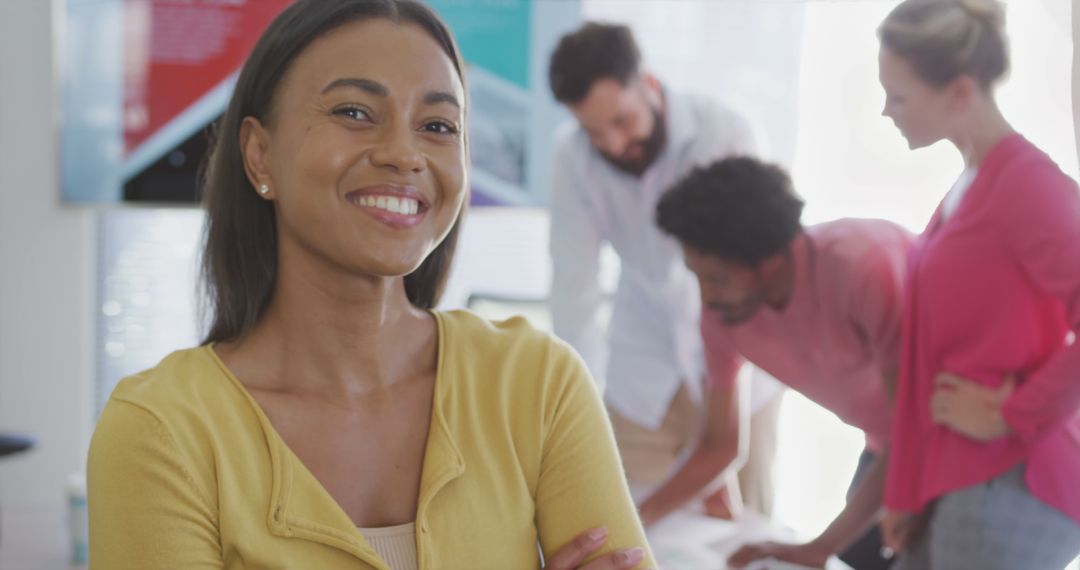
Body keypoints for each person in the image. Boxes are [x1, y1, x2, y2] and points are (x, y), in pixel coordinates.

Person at [86, 2, 655, 569]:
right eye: (355, 112)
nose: (404, 155)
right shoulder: (161, 429)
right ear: (260, 155)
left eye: (437, 126)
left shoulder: (538, 384)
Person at [546, 21, 783, 520]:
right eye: (594, 131)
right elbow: (575, 290)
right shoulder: (572, 161)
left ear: (648, 84)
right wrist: (576, 401)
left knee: (745, 528)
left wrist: (715, 435)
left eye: (622, 121)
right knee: (616, 515)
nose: (612, 143)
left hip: (738, 362)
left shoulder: (725, 133)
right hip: (642, 366)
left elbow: (747, 274)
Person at [876, 1, 1080, 568]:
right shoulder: (970, 187)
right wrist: (904, 488)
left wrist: (1009, 413)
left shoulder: (1029, 188)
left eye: (898, 95)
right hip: (959, 480)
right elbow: (926, 356)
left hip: (1015, 481)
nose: (886, 111)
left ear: (959, 93)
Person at [652, 156, 912, 570]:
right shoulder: (723, 315)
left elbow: (913, 426)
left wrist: (819, 545)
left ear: (770, 260)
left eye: (717, 278)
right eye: (696, 277)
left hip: (958, 439)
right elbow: (719, 446)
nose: (706, 297)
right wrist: (629, 523)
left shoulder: (863, 266)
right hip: (886, 448)